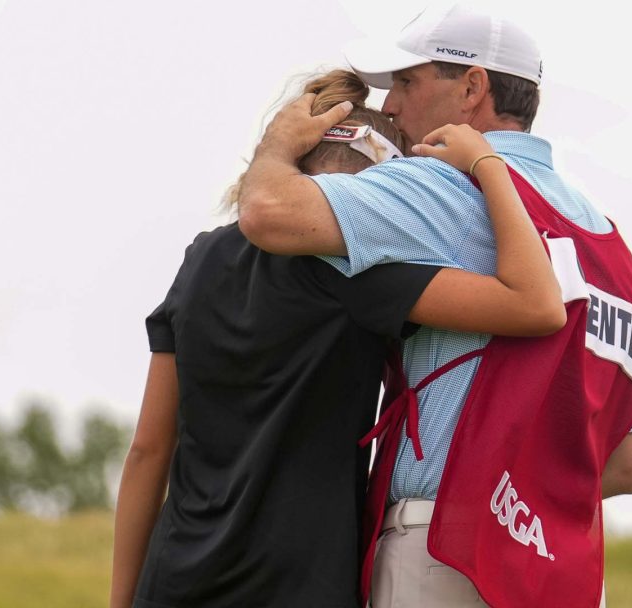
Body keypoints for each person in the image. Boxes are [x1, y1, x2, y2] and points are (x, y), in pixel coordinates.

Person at [237, 3, 632, 606]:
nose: (389, 107)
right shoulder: (610, 246)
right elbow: (629, 465)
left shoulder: (441, 183)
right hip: (559, 565)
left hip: (441, 548)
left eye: (407, 83)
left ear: (471, 89)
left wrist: (279, 142)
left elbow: (267, 214)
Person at [109, 69, 566, 608]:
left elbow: (147, 450)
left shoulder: (202, 256)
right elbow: (535, 303)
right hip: (301, 585)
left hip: (173, 582)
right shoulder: (359, 274)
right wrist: (486, 165)